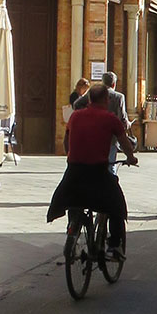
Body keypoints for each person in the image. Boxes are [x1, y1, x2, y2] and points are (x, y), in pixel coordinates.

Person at [47, 82, 138, 259]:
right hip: (98, 173)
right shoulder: (110, 119)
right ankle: (115, 245)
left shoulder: (75, 117)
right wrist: (131, 158)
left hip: (74, 171)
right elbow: (125, 143)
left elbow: (66, 140)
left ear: (89, 98)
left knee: (73, 198)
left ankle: (72, 229)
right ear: (106, 99)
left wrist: (70, 156)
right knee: (117, 204)